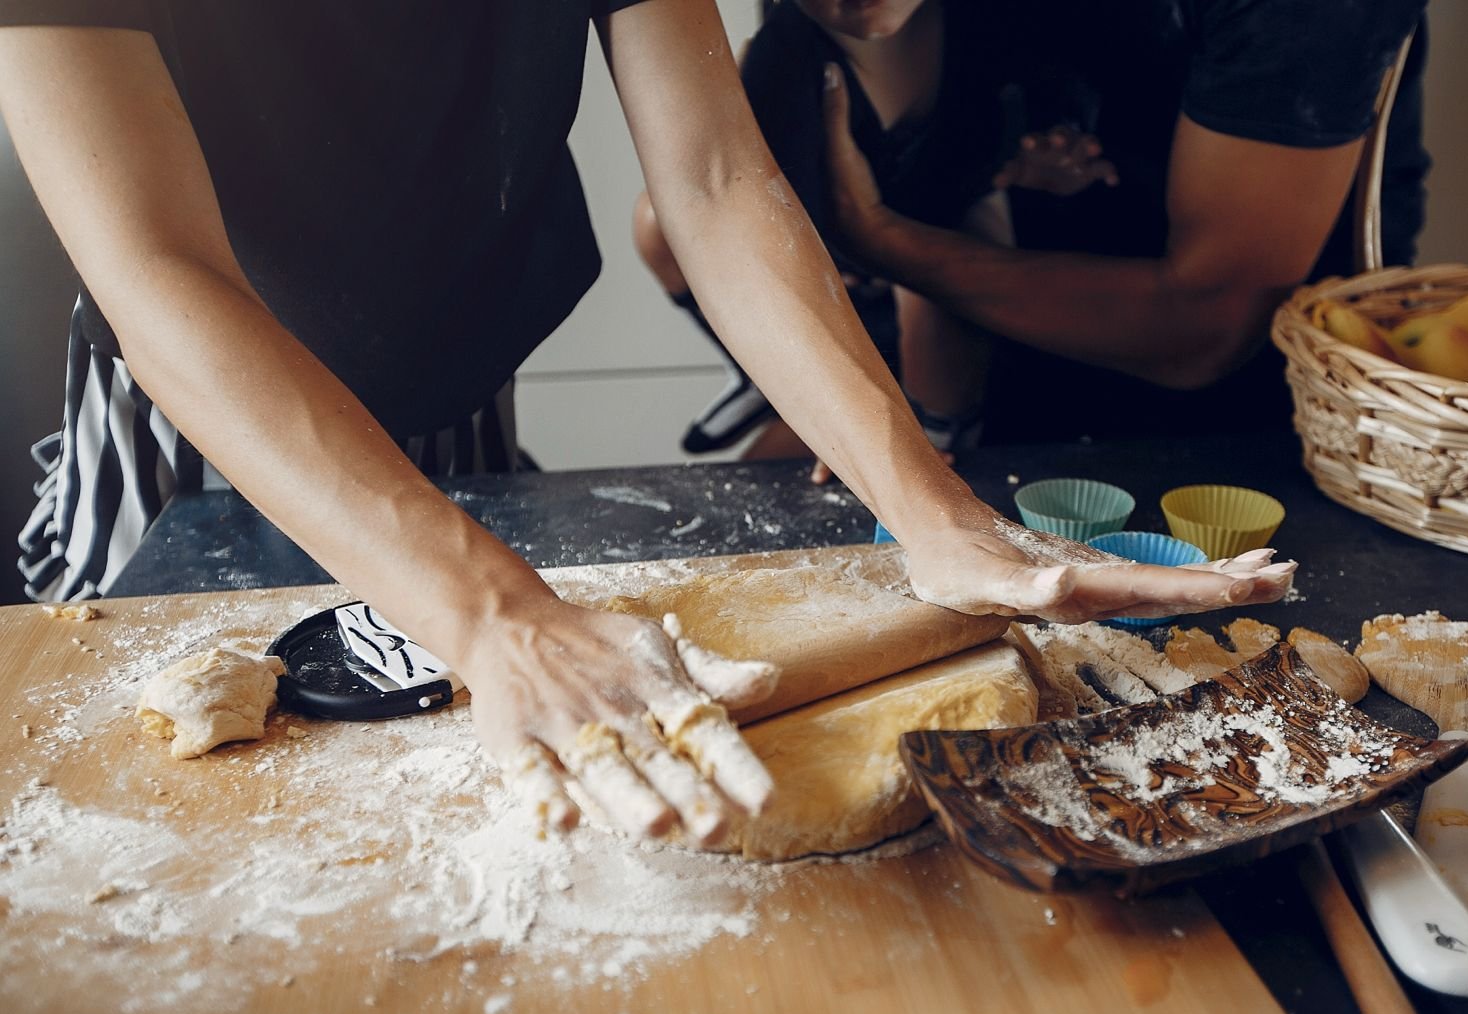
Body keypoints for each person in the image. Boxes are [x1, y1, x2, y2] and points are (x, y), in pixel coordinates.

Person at [0, 0, 1293, 843]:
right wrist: (492, 610)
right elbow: (159, 270)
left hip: (456, 411)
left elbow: (716, 179)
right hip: (201, 435)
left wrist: (930, 509)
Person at [817, 0, 1431, 442]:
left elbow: (1203, 327)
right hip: (1009, 381)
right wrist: (909, 431)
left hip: (1260, 429)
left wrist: (878, 240)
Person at [633, 0, 1119, 468]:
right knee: (662, 216)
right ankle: (760, 372)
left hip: (945, 279)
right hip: (838, 290)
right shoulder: (786, 59)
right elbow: (761, 230)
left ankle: (938, 435)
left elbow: (1044, 111)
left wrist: (1047, 155)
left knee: (936, 298)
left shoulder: (996, 24)